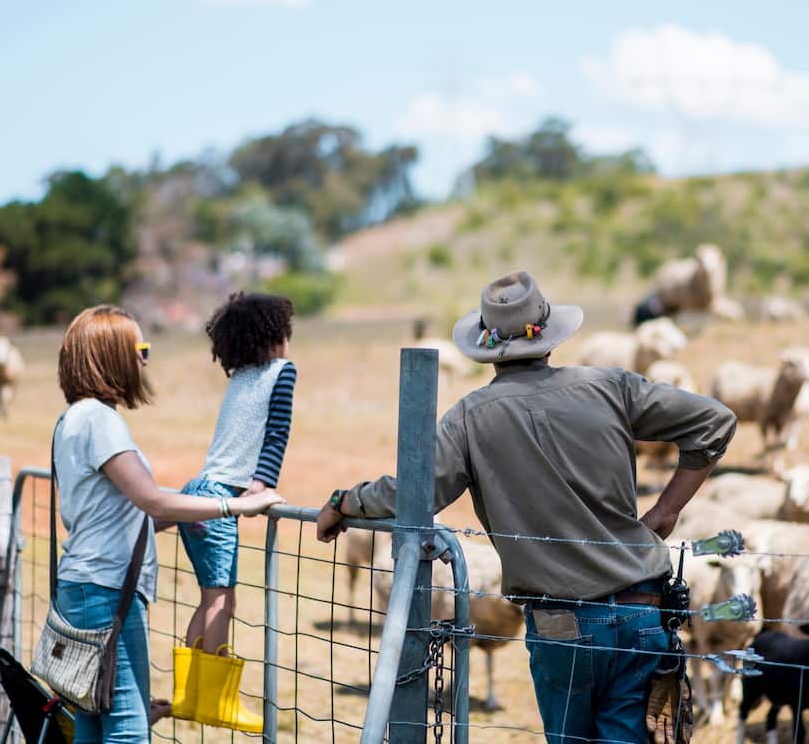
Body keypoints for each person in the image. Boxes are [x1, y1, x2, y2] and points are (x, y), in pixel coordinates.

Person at [315, 271, 736, 744]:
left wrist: (345, 500)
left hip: (562, 624)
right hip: (643, 610)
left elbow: (413, 491)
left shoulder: (470, 418)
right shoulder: (612, 387)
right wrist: (666, 512)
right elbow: (715, 422)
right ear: (550, 336)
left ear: (486, 346)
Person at [53, 304, 284, 744]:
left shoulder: (73, 419)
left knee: (92, 723)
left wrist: (189, 509)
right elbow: (149, 498)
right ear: (111, 353)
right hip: (106, 593)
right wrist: (233, 509)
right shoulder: (100, 422)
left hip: (84, 587)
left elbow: (127, 513)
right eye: (140, 347)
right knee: (127, 729)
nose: (145, 359)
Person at [172, 292, 297, 732]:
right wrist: (261, 486)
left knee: (209, 598)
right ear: (274, 336)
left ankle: (191, 698)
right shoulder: (283, 372)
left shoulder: (240, 377)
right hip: (221, 496)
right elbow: (277, 432)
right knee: (222, 599)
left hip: (198, 492)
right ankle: (217, 702)